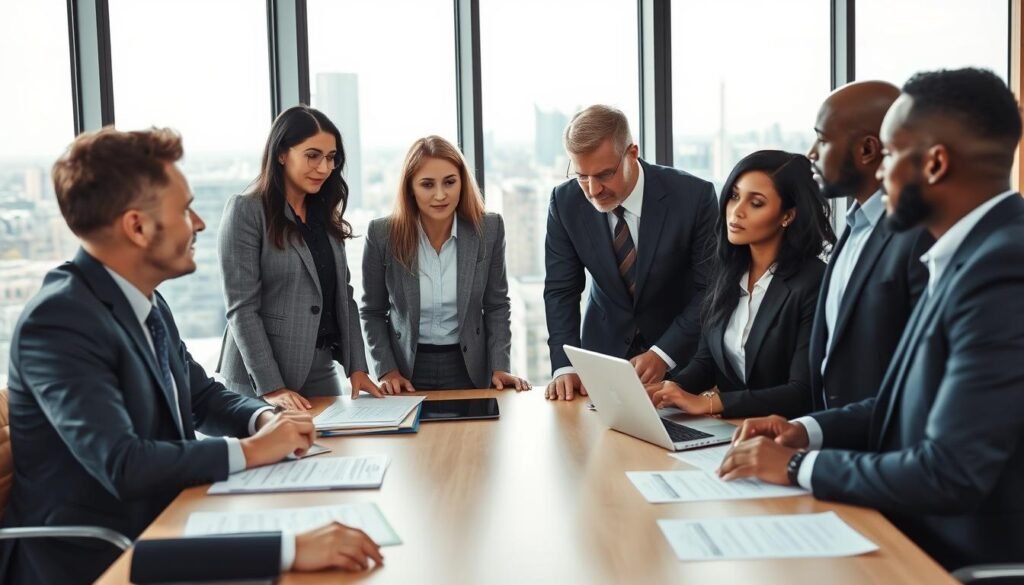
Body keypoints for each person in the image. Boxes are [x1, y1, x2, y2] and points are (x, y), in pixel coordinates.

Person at [0, 128, 382, 584]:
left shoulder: (147, 302)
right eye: (184, 209)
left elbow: (201, 396)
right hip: (99, 559)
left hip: (165, 525)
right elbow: (124, 465)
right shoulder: (60, 321)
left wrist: (264, 420)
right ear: (137, 226)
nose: (199, 223)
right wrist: (253, 454)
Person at [719, 68, 1024, 570]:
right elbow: (906, 402)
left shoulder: (1002, 268)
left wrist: (797, 466)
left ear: (935, 163)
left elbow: (950, 471)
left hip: (948, 558)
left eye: (892, 155)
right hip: (908, 530)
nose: (881, 175)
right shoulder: (967, 253)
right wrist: (807, 431)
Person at [544, 105, 717, 400]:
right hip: (603, 361)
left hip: (683, 360)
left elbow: (709, 290)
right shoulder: (565, 202)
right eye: (582, 176)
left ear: (632, 153)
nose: (593, 190)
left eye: (604, 174)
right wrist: (565, 367)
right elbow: (562, 290)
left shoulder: (694, 197)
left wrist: (664, 353)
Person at [646, 151, 832, 418]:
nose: (736, 211)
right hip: (731, 430)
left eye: (756, 203)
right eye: (734, 196)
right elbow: (707, 361)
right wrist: (667, 390)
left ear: (788, 216)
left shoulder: (813, 282)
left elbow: (801, 392)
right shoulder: (727, 271)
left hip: (786, 435)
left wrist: (711, 404)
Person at [218, 105, 381, 410]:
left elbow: (343, 296)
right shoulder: (246, 210)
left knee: (338, 452)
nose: (324, 167)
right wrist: (272, 387)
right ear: (282, 153)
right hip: (261, 375)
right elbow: (242, 308)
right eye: (312, 155)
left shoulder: (323, 215)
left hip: (320, 366)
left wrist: (357, 367)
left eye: (331, 158)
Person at [361, 136, 528, 391]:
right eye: (427, 185)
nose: (440, 195)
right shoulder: (382, 234)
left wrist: (500, 366)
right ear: (410, 188)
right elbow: (372, 311)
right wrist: (387, 370)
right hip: (406, 370)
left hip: (470, 366)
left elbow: (496, 305)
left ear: (462, 182)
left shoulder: (489, 229)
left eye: (450, 182)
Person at [806, 81, 933, 409]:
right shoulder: (852, 226)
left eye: (822, 139)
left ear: (867, 150)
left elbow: (917, 373)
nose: (811, 154)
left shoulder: (918, 236)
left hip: (885, 448)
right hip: (832, 441)